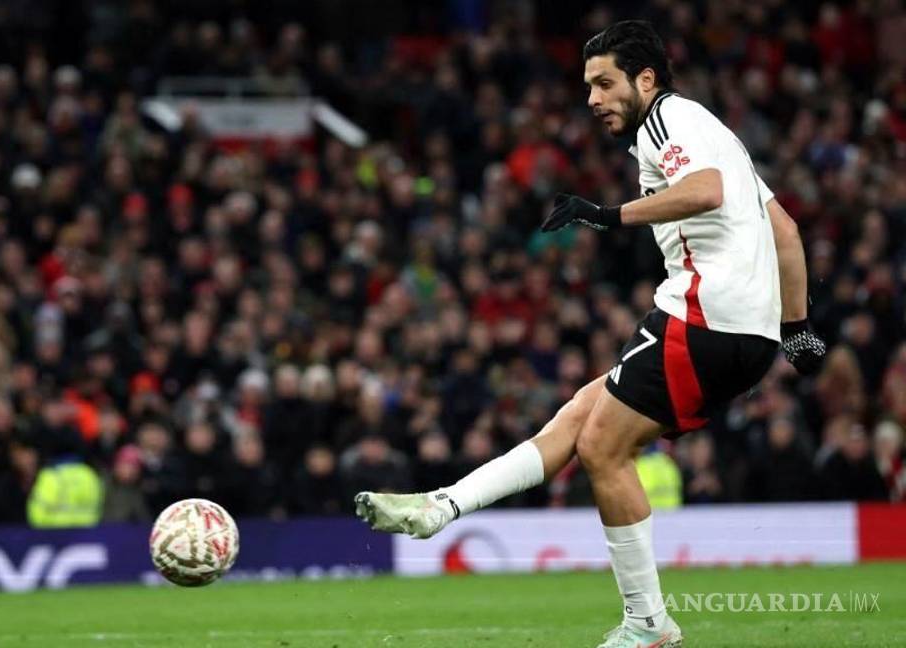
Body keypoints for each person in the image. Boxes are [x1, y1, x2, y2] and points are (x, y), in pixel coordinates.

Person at [355, 21, 828, 648]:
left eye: (604, 83)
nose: (592, 98)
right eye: (588, 86)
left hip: (704, 314)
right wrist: (795, 329)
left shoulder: (669, 118)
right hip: (746, 333)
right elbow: (787, 232)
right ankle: (440, 506)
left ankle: (647, 625)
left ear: (646, 78)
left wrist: (607, 216)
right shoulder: (720, 137)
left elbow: (705, 192)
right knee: (579, 417)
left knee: (602, 449)